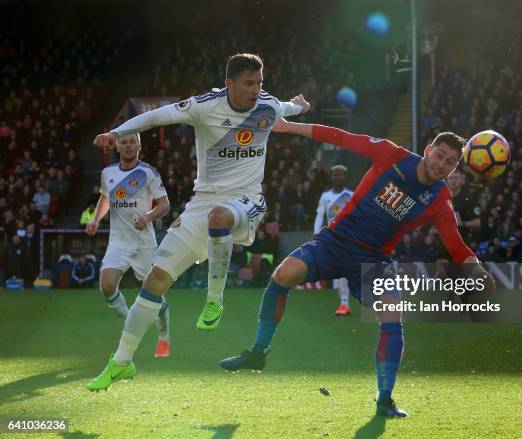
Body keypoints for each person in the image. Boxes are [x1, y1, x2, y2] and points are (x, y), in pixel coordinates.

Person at [220, 119, 495, 418]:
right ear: (428, 151)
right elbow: (340, 137)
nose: (442, 165)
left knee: (392, 314)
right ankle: (258, 353)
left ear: (455, 169)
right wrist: (286, 126)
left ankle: (385, 400)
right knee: (283, 275)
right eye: (440, 155)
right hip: (335, 241)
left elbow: (456, 246)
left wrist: (478, 271)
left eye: (451, 162)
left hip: (373, 260)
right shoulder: (392, 155)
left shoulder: (440, 200)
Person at [87, 53, 309, 391]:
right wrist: (116, 132)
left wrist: (297, 105)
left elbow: (285, 107)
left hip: (247, 199)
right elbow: (156, 118)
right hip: (201, 204)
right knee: (155, 281)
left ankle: (215, 298)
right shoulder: (205, 106)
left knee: (220, 218)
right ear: (229, 83)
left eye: (260, 83)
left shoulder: (266, 106)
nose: (256, 89)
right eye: (249, 83)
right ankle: (121, 362)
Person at [85, 133, 171, 358]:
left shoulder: (148, 172)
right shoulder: (108, 173)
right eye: (124, 142)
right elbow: (105, 199)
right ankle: (128, 322)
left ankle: (163, 337)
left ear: (139, 146)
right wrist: (95, 220)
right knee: (107, 285)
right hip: (119, 242)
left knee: (155, 295)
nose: (128, 145)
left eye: (133, 141)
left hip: (144, 244)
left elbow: (164, 205)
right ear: (117, 146)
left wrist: (148, 217)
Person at [313, 165, 354, 315]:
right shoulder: (325, 196)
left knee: (345, 270)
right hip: (332, 237)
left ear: (345, 177)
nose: (338, 177)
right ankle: (344, 302)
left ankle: (344, 303)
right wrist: (316, 233)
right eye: (335, 174)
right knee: (339, 271)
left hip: (348, 237)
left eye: (341, 175)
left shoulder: (351, 195)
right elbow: (320, 215)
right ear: (331, 177)